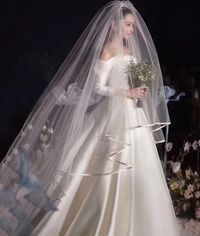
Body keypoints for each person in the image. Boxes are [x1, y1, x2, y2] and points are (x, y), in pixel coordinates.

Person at [0, 1, 181, 235]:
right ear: (114, 25)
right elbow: (97, 87)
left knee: (142, 165)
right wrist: (125, 92)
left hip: (133, 115)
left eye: (133, 26)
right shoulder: (106, 51)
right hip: (112, 116)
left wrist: (139, 88)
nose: (131, 30)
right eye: (127, 25)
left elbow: (128, 80)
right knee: (103, 166)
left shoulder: (128, 52)